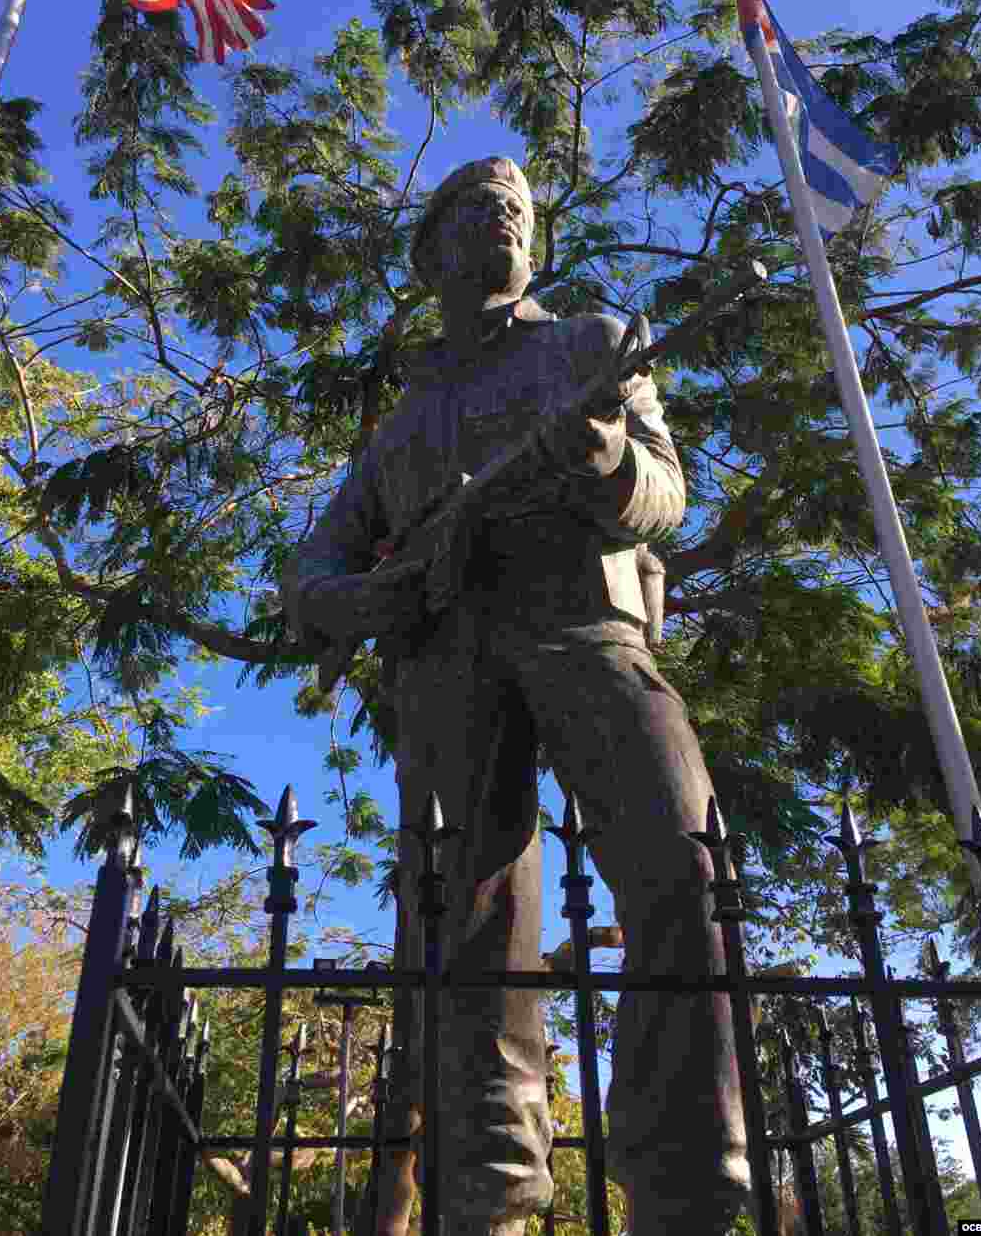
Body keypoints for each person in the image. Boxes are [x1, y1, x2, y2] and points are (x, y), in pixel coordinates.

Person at [281, 156, 751, 1235]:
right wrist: (347, 600)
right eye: (480, 208)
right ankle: (483, 1198)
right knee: (470, 929)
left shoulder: (590, 345)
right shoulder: (399, 429)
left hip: (588, 626)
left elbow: (667, 496)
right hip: (448, 660)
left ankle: (686, 1193)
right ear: (431, 252)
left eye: (519, 210)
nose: (506, 218)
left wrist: (603, 461)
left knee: (684, 865)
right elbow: (312, 565)